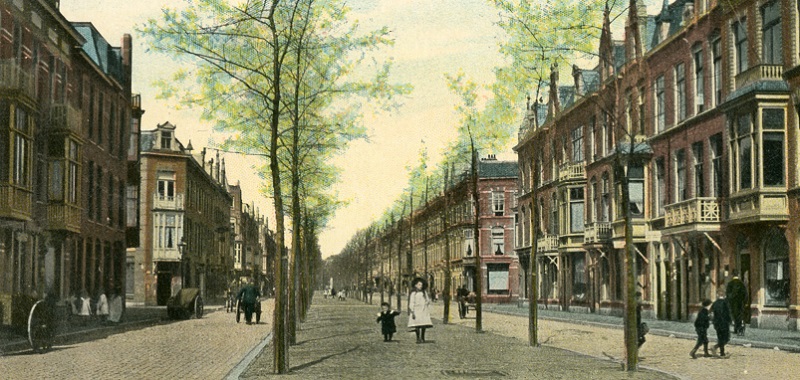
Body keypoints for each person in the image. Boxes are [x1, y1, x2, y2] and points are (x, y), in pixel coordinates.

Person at [408, 277, 433, 343]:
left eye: (421, 285)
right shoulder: (414, 293)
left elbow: (427, 300)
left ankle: (422, 337)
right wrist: (412, 310)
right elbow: (411, 302)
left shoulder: (424, 292)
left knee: (423, 324)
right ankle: (418, 338)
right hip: (416, 310)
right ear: (415, 285)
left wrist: (426, 303)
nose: (420, 286)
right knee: (417, 325)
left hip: (423, 310)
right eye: (419, 285)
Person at [711, 289, 732, 358]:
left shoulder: (715, 303)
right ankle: (715, 347)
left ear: (717, 295)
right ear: (724, 295)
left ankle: (722, 353)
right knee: (726, 338)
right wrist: (730, 321)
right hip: (724, 323)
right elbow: (728, 313)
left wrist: (713, 322)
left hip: (717, 323)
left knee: (720, 338)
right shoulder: (725, 303)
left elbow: (711, 313)